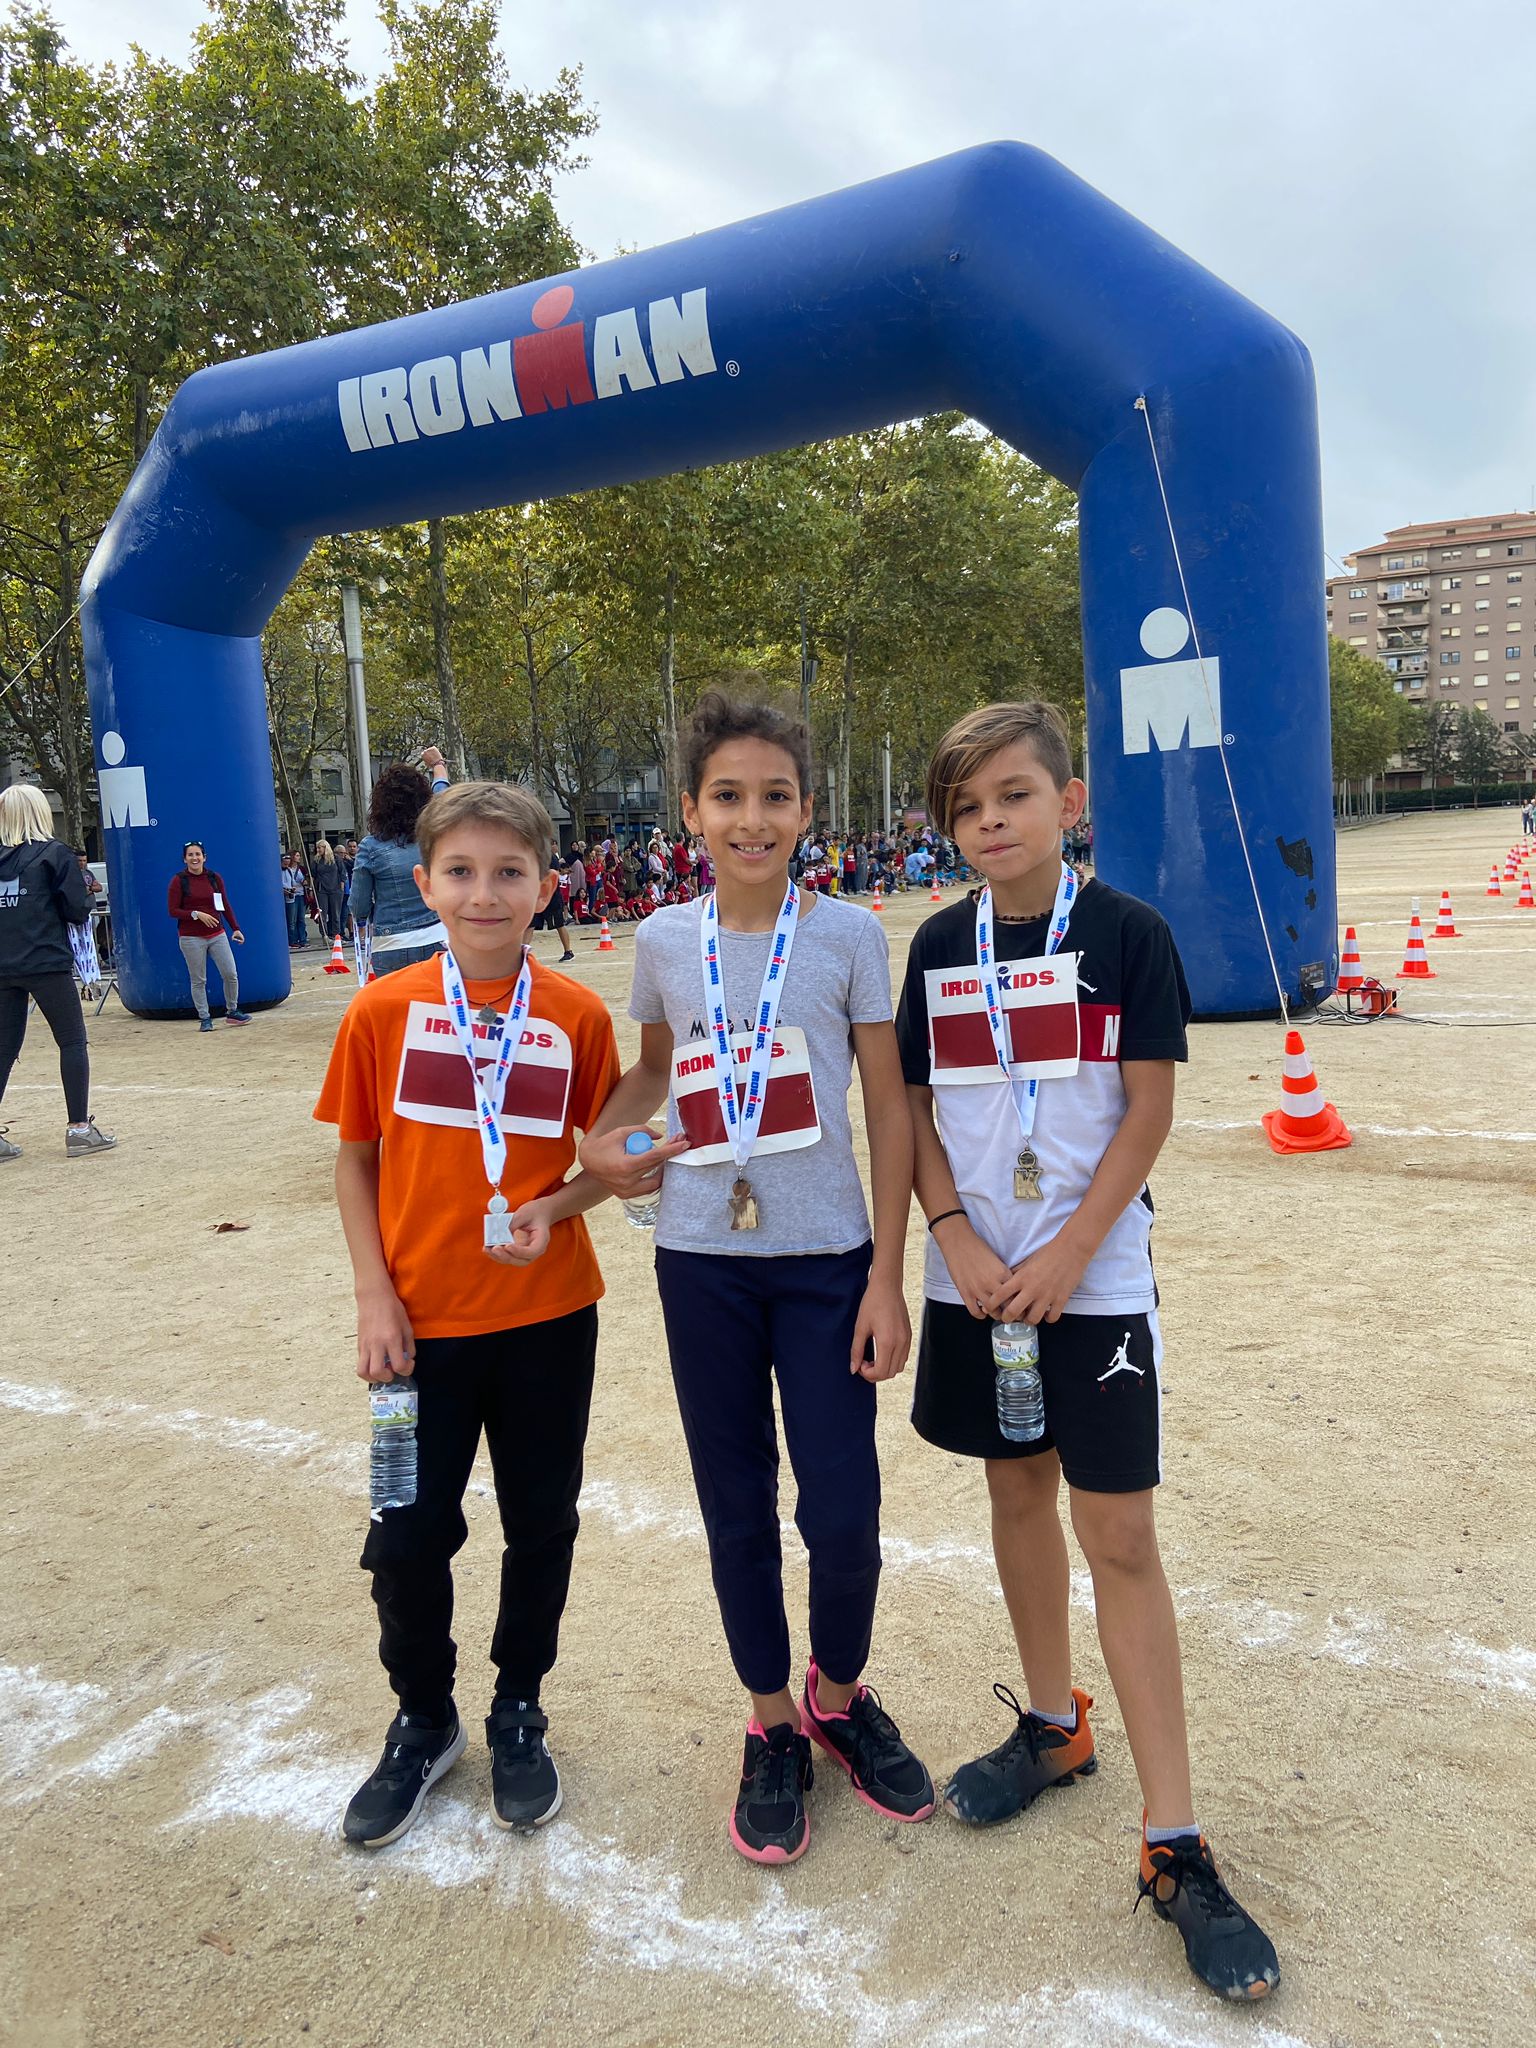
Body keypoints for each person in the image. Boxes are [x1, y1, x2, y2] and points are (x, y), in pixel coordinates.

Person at [895, 701, 1278, 2004]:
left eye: (1012, 795)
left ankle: (1176, 1841)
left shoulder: (1126, 933)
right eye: (965, 807)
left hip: (1092, 1280)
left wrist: (1070, 1253)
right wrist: (953, 1233)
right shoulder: (937, 944)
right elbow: (916, 1109)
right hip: (974, 1282)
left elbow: (1147, 1110)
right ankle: (1055, 1727)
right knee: (1015, 1492)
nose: (989, 821)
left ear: (1069, 803)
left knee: (1117, 1533)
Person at [579, 692, 930, 1866]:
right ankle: (771, 1719)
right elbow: (654, 1073)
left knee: (844, 1507)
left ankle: (837, 1694)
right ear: (691, 810)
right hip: (702, 1262)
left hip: (829, 1264)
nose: (752, 817)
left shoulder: (850, 936)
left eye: (775, 795)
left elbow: (888, 1107)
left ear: (807, 809)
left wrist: (888, 1273)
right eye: (727, 795)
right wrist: (600, 1142)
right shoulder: (661, 940)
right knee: (736, 1502)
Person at [317, 781, 620, 1848]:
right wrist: (373, 1295)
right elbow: (355, 1161)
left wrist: (555, 1208)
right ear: (425, 883)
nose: (484, 893)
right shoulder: (381, 1010)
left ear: (547, 885)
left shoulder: (576, 1016)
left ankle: (518, 1704)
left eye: (508, 872)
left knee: (542, 1522)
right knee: (406, 1535)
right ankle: (424, 1716)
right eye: (461, 871)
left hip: (547, 1320)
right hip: (417, 1330)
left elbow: (603, 1164)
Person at [0, 782, 116, 1159]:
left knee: (4, 1048)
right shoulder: (54, 853)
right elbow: (76, 909)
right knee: (71, 1041)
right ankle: (79, 1128)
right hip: (46, 961)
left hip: (3, 964)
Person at [349, 748, 450, 976]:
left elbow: (358, 906)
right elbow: (444, 799)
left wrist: (366, 917)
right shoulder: (435, 832)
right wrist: (438, 765)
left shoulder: (370, 847)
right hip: (439, 935)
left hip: (392, 943)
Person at [169, 840, 252, 1032]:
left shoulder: (214, 878)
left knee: (230, 974)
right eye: (190, 855)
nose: (194, 858)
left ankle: (232, 1011)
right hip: (191, 937)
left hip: (217, 934)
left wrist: (235, 928)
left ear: (204, 857)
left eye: (198, 854)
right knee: (199, 980)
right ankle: (205, 1018)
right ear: (184, 859)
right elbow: (173, 910)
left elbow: (224, 904)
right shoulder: (179, 880)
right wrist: (196, 914)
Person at [312, 839, 346, 942]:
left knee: (336, 914)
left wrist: (341, 887)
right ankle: (325, 935)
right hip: (322, 890)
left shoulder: (336, 859)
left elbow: (342, 873)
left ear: (325, 848)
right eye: (317, 848)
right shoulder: (316, 860)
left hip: (336, 889)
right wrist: (311, 889)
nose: (318, 850)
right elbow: (313, 875)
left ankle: (336, 935)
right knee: (322, 914)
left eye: (319, 848)